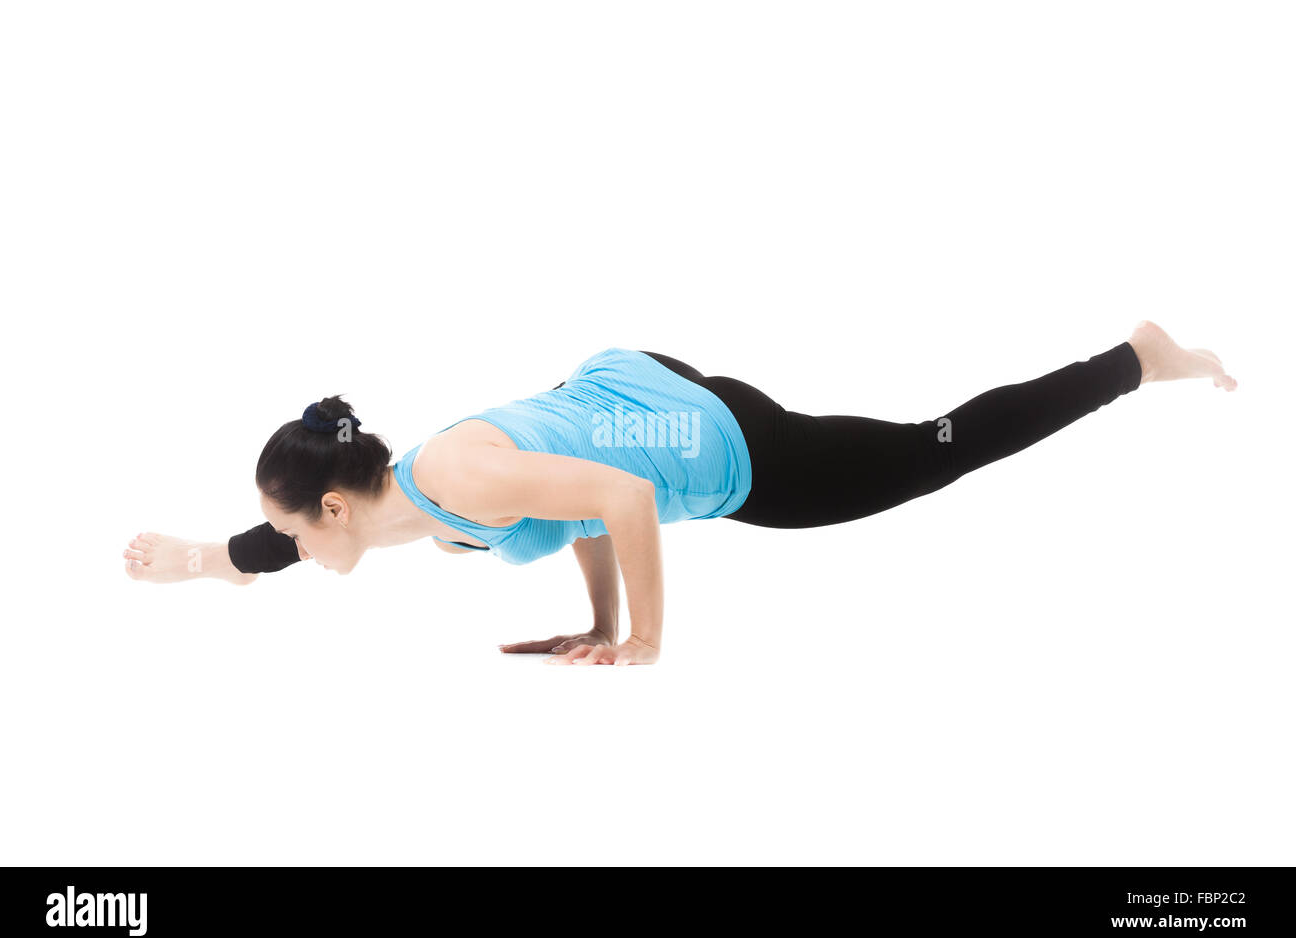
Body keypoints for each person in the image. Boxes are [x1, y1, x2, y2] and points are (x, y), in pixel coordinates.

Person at [122, 321, 1236, 665]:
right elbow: (572, 503)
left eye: (288, 536)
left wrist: (644, 635)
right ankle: (1131, 364)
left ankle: (1132, 359)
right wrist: (212, 559)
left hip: (726, 445)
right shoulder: (411, 506)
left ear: (334, 508)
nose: (295, 555)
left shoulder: (451, 479)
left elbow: (622, 497)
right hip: (640, 395)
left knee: (928, 450)